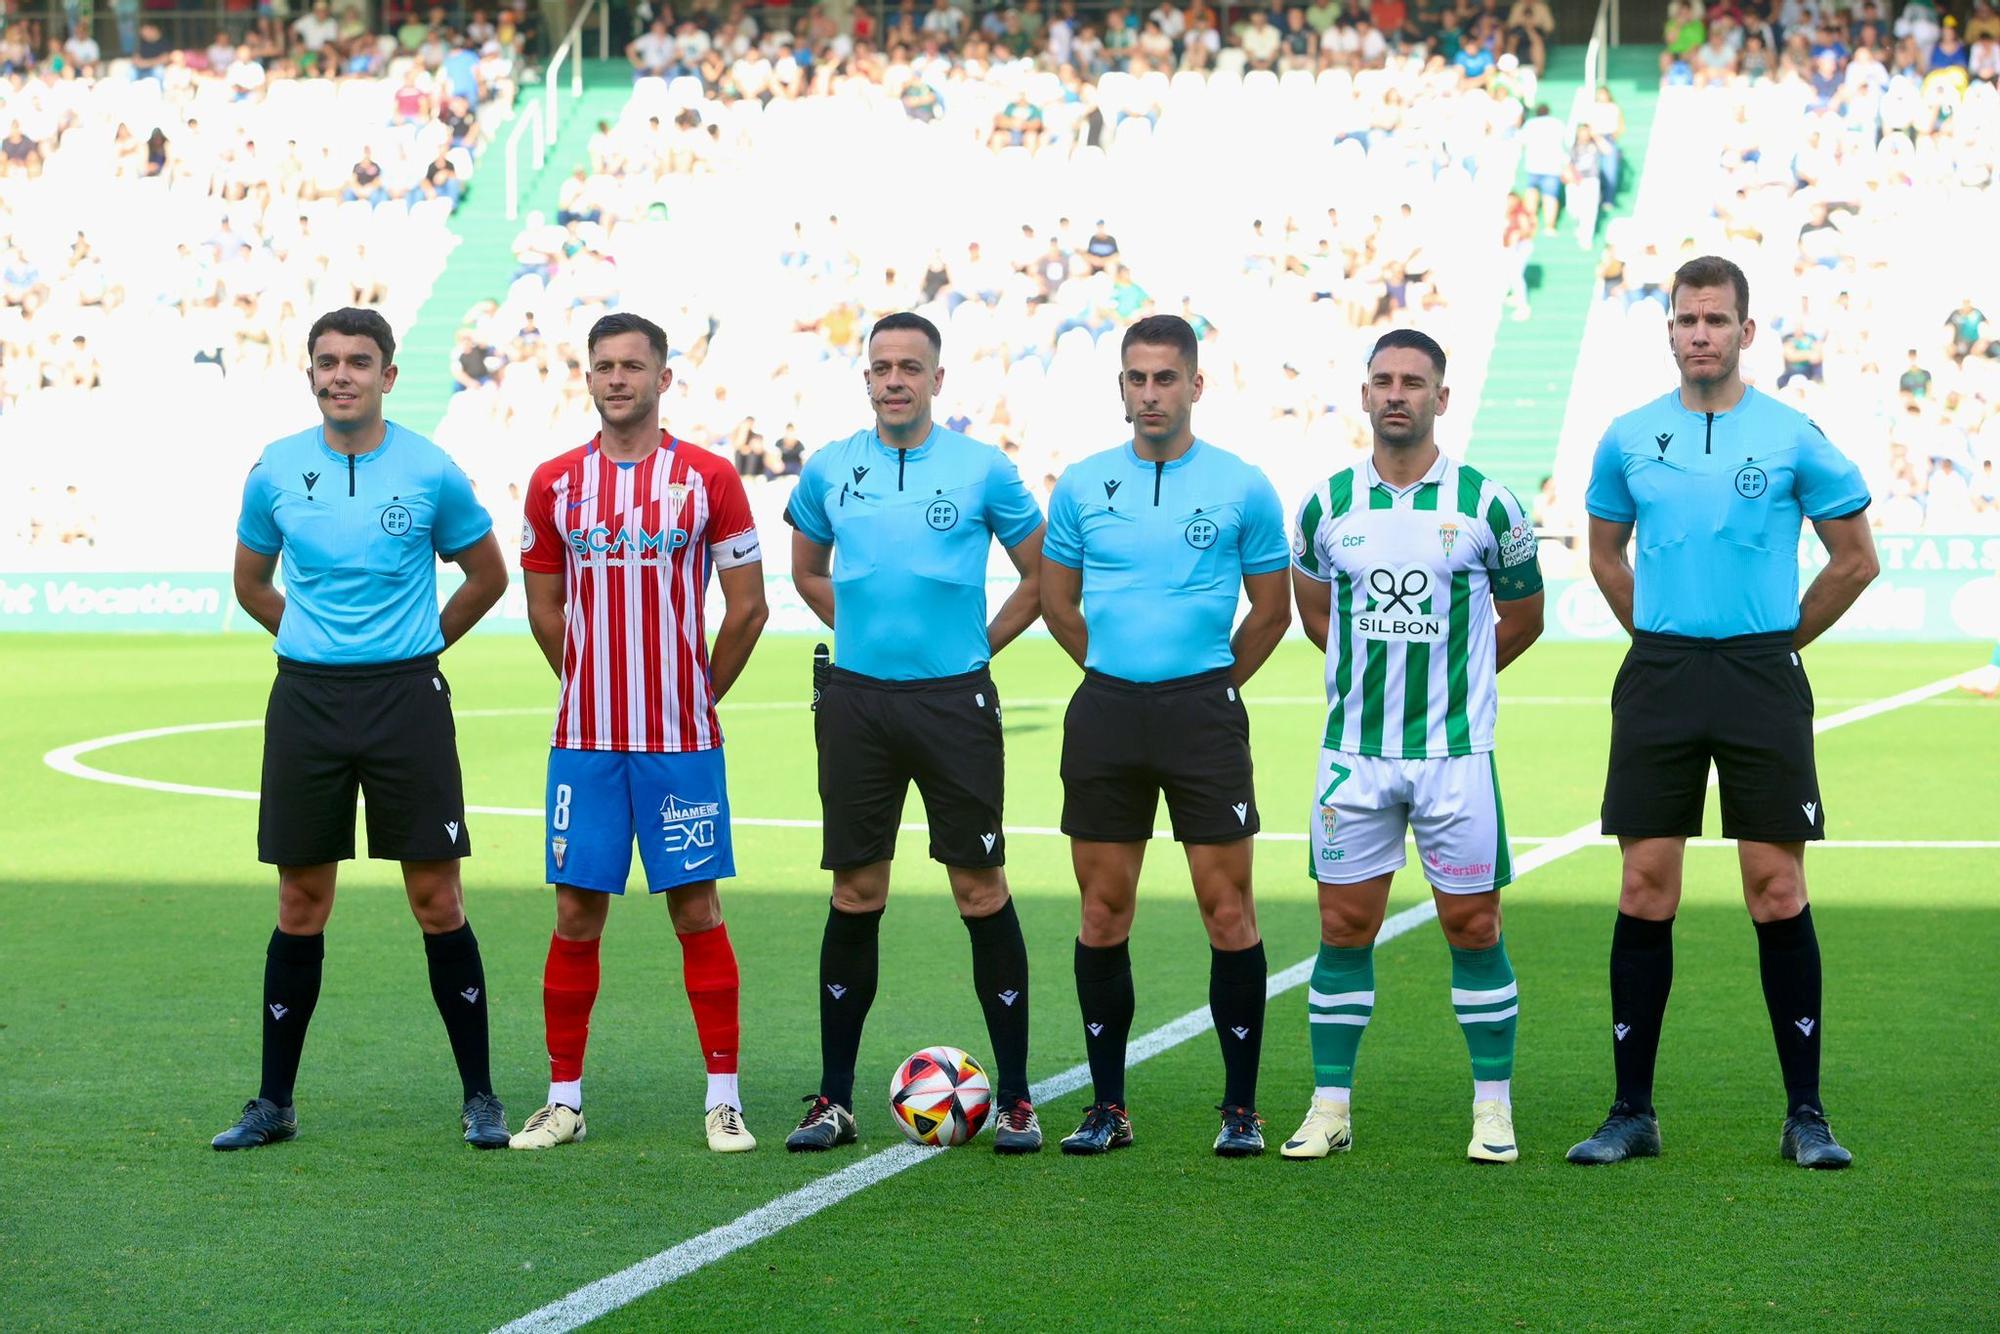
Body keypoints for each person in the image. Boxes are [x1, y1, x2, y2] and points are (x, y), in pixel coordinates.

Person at [1571, 255, 1880, 1170]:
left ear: (1747, 333)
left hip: (1759, 677)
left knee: (1775, 888)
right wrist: (1660, 635)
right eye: (1685, 319)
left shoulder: (1793, 435)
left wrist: (1780, 642)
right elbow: (1603, 550)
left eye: (1716, 319)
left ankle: (1808, 1115)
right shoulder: (1627, 436)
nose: (1699, 333)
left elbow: (1855, 557)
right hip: (1661, 675)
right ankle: (1632, 1112)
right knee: (1644, 887)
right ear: (1668, 330)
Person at [215, 308, 511, 1151]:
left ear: (388, 375)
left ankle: (481, 1096)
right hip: (306, 701)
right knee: (300, 901)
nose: (341, 374)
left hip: (406, 700)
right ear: (309, 374)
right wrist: (315, 642)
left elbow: (486, 576)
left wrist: (413, 648)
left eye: (358, 361)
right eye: (327, 361)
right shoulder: (274, 470)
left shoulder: (430, 469)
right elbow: (251, 583)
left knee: (436, 898)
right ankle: (273, 1102)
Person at [783, 312, 1048, 1154]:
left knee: (980, 889)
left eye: (910, 367)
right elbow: (806, 569)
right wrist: (858, 633)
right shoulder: (830, 468)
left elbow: (1042, 573)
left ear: (939, 379)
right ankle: (832, 1097)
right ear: (865, 379)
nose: (894, 380)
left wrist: (978, 649)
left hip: (954, 704)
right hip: (857, 705)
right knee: (857, 892)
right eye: (881, 367)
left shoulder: (982, 469)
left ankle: (1015, 1099)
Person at [1278, 328, 1545, 1165]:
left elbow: (1524, 618)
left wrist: (1454, 680)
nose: (1397, 394)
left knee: (1474, 924)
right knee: (1342, 924)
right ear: (1364, 395)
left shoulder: (1488, 504)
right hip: (1352, 755)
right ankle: (1329, 1108)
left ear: (1441, 397)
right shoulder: (1324, 506)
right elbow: (1316, 616)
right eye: (1384, 381)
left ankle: (1493, 1109)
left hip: (1455, 757)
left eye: (1414, 382)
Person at [509, 313, 769, 1154]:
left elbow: (749, 607)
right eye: (602, 367)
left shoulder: (709, 479)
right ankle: (563, 1100)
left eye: (632, 366)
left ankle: (723, 1100)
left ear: (664, 378)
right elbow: (544, 607)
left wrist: (696, 689)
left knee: (696, 909)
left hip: (681, 742)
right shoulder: (554, 483)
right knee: (576, 912)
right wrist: (587, 681)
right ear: (588, 378)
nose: (616, 379)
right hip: (584, 742)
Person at [1040, 314, 1293, 1158]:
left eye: (1165, 379)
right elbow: (1057, 603)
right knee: (1104, 911)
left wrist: (1211, 685)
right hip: (1107, 713)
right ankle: (1107, 1107)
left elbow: (1271, 610)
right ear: (1121, 387)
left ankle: (1241, 1110)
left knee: (1229, 911)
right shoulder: (1079, 485)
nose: (1151, 394)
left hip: (1202, 717)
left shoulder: (1242, 485)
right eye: (1136, 379)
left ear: (1194, 385)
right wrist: (1111, 671)